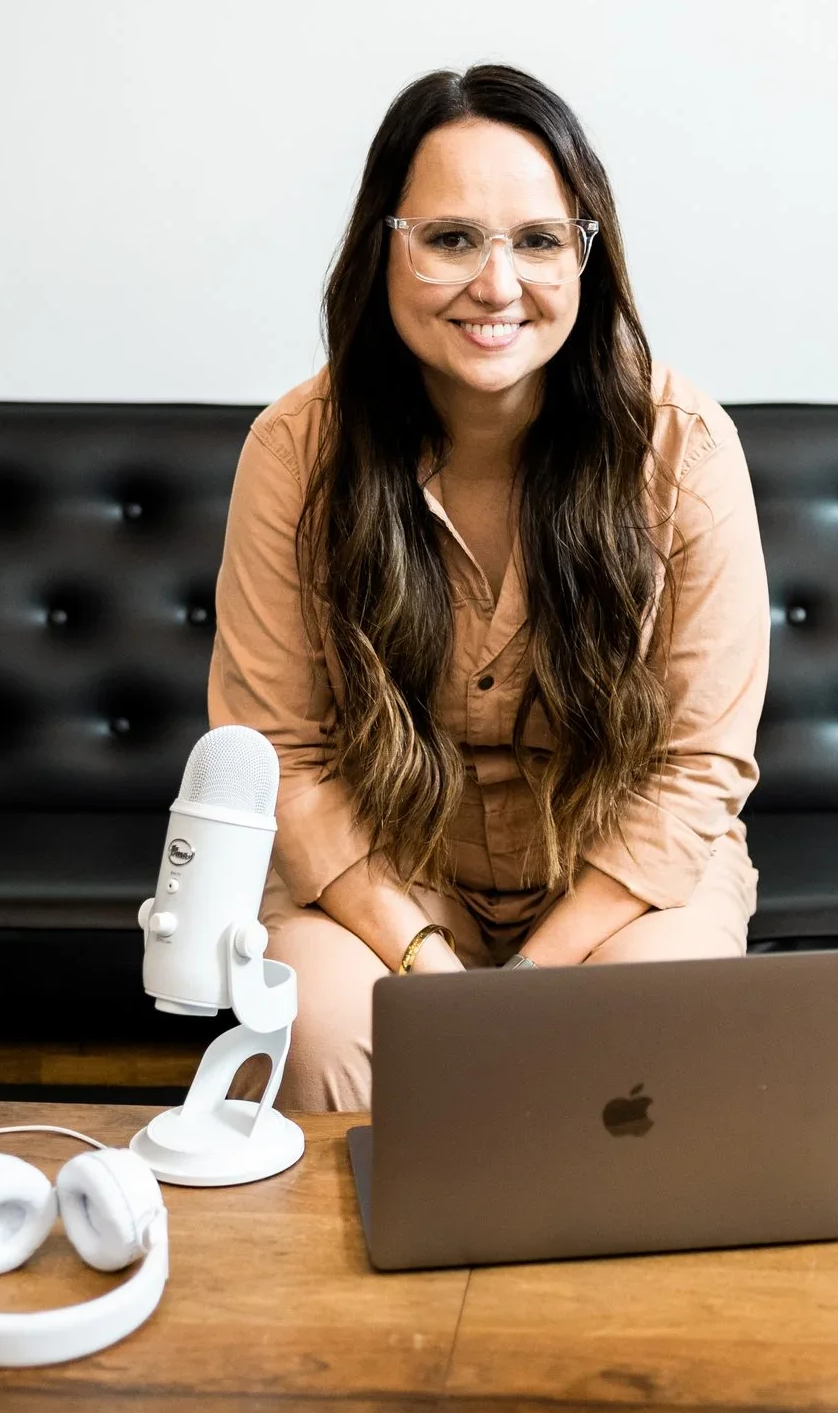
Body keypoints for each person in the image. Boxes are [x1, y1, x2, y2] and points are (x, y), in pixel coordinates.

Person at [209, 65, 769, 1111]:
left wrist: (531, 980)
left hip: (614, 878)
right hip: (384, 869)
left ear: (587, 257)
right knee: (330, 1035)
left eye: (539, 239)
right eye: (451, 237)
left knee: (647, 1035)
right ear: (385, 246)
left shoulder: (686, 448)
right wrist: (423, 959)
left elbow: (698, 765)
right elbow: (278, 750)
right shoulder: (294, 450)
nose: (497, 284)